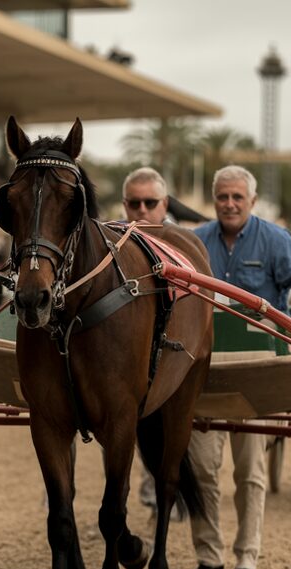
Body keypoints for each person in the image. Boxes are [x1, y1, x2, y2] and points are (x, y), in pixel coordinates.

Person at [187, 165, 291, 569]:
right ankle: (209, 556)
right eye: (223, 197)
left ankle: (247, 557)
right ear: (214, 200)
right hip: (204, 373)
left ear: (252, 202)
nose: (229, 204)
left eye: (237, 198)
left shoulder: (275, 239)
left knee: (249, 472)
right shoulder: (196, 241)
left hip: (256, 373)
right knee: (202, 468)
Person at [120, 167, 187, 524]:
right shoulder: (111, 240)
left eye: (150, 203)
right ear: (125, 204)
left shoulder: (186, 243)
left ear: (164, 204)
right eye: (134, 203)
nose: (142, 211)